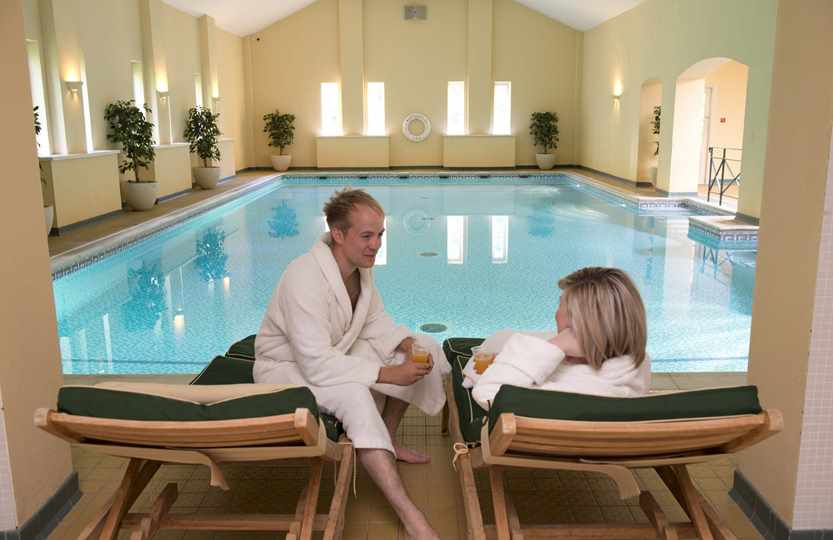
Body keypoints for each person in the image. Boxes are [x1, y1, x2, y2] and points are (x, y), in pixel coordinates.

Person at [254, 188, 447, 540]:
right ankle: (409, 514)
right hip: (286, 369)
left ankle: (384, 439)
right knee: (356, 395)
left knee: (423, 346)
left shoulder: (360, 270)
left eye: (380, 235)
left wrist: (406, 344)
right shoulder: (304, 276)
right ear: (338, 235)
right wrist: (389, 373)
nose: (376, 245)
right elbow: (314, 362)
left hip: (334, 353)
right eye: (367, 236)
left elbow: (374, 323)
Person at [470, 267, 650, 410]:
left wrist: (555, 344)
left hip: (537, 454)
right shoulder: (637, 365)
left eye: (560, 304)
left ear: (577, 323)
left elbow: (487, 393)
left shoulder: (560, 396)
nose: (556, 314)